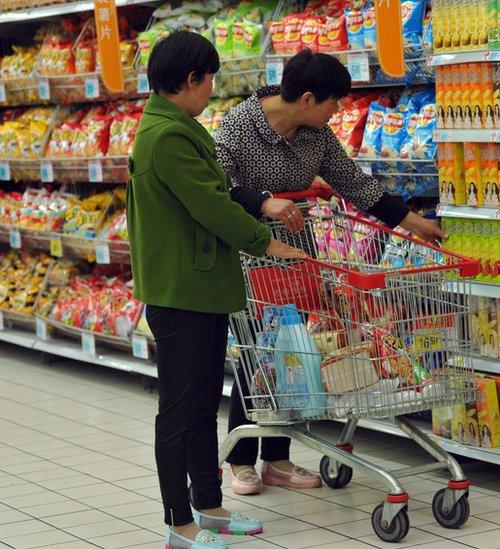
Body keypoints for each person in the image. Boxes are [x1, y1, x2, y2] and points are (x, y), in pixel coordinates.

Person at [213, 50, 444, 496]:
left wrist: (414, 224)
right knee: (260, 349)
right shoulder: (241, 124)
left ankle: (277, 459)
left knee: (293, 348)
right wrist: (263, 200)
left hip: (299, 252)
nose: (337, 110)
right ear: (305, 99)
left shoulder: (316, 135)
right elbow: (215, 183)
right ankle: (242, 460)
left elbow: (354, 183)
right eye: (333, 102)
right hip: (249, 250)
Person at [127, 31, 306, 549]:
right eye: (209, 78)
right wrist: (268, 243)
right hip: (181, 292)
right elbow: (212, 205)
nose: (211, 87)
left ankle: (208, 506)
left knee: (205, 404)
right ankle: (178, 524)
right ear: (190, 80)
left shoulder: (177, 126)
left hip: (199, 286)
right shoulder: (167, 137)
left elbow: (217, 192)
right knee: (179, 412)